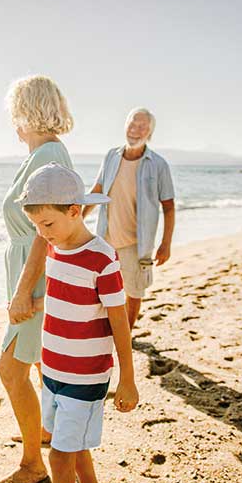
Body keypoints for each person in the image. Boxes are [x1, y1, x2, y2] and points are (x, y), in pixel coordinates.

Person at [17, 163, 139, 483]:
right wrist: (32, 302)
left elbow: (119, 322)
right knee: (69, 439)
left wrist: (127, 379)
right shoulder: (56, 246)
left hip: (86, 373)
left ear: (74, 211)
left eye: (47, 224)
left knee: (59, 455)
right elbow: (61, 296)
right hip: (52, 366)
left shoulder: (102, 258)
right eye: (36, 226)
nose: (42, 233)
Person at [0, 75, 75, 483]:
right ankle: (46, 433)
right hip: (32, 271)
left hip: (37, 275)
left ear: (25, 111)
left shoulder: (49, 156)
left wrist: (25, 290)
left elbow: (49, 230)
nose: (12, 121)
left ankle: (32, 464)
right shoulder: (45, 154)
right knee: (45, 365)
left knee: (11, 369)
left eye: (14, 111)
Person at [82, 108, 175, 329]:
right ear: (125, 125)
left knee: (134, 292)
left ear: (150, 133)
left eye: (143, 126)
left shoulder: (158, 164)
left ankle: (127, 334)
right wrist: (79, 217)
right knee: (104, 290)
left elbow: (169, 207)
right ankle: (108, 331)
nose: (136, 130)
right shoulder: (111, 156)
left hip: (137, 244)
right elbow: (98, 188)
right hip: (106, 239)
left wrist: (166, 244)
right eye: (133, 124)